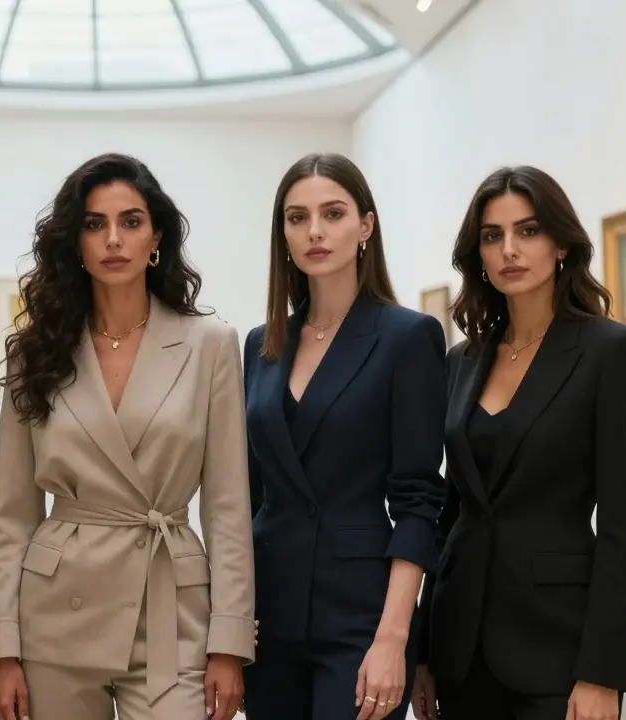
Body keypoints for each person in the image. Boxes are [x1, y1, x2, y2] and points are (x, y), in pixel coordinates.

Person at [0, 152, 255, 720]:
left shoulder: (211, 344)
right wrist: (2, 646)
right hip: (55, 614)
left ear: (156, 235)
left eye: (130, 222)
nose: (113, 239)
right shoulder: (34, 351)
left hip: (170, 610)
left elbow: (228, 507)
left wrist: (229, 642)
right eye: (94, 224)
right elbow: (12, 515)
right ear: (74, 243)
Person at [410, 166, 626, 720]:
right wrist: (422, 652)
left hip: (558, 649)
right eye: (492, 236)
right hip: (460, 646)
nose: (509, 250)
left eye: (528, 231)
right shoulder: (461, 361)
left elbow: (623, 527)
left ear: (562, 244)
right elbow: (450, 515)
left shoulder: (610, 353)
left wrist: (602, 671)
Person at [241, 152, 448, 720]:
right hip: (267, 614)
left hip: (360, 616)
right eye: (296, 217)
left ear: (365, 225)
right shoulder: (262, 344)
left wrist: (393, 639)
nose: (314, 231)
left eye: (332, 213)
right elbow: (249, 494)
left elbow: (417, 500)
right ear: (282, 233)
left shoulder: (408, 338)